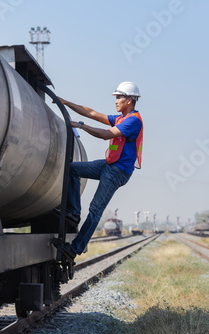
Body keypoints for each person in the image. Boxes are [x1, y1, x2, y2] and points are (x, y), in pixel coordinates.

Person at [56, 81, 144, 260]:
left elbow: (106, 135)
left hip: (118, 171)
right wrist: (66, 103)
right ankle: (73, 214)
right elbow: (93, 113)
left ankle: (74, 249)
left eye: (119, 97)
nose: (116, 100)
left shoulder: (133, 121)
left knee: (96, 209)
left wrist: (80, 126)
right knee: (72, 170)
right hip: (109, 165)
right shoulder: (122, 118)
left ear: (129, 100)